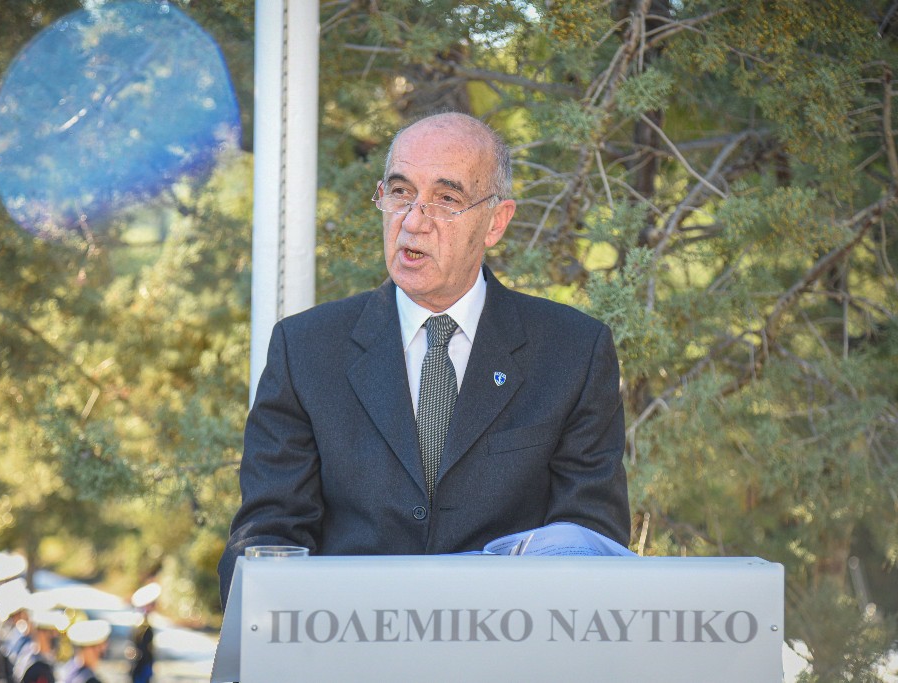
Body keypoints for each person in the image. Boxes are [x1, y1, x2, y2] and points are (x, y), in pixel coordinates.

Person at [218, 111, 630, 606]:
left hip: (506, 638)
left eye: (446, 199)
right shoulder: (306, 349)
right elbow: (268, 534)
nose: (413, 221)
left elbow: (589, 542)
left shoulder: (573, 352)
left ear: (496, 222)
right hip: (347, 638)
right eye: (400, 193)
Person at [127, 582, 160, 683]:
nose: (154, 606)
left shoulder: (139, 622)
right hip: (141, 667)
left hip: (140, 667)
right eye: (152, 604)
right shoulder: (143, 626)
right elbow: (141, 650)